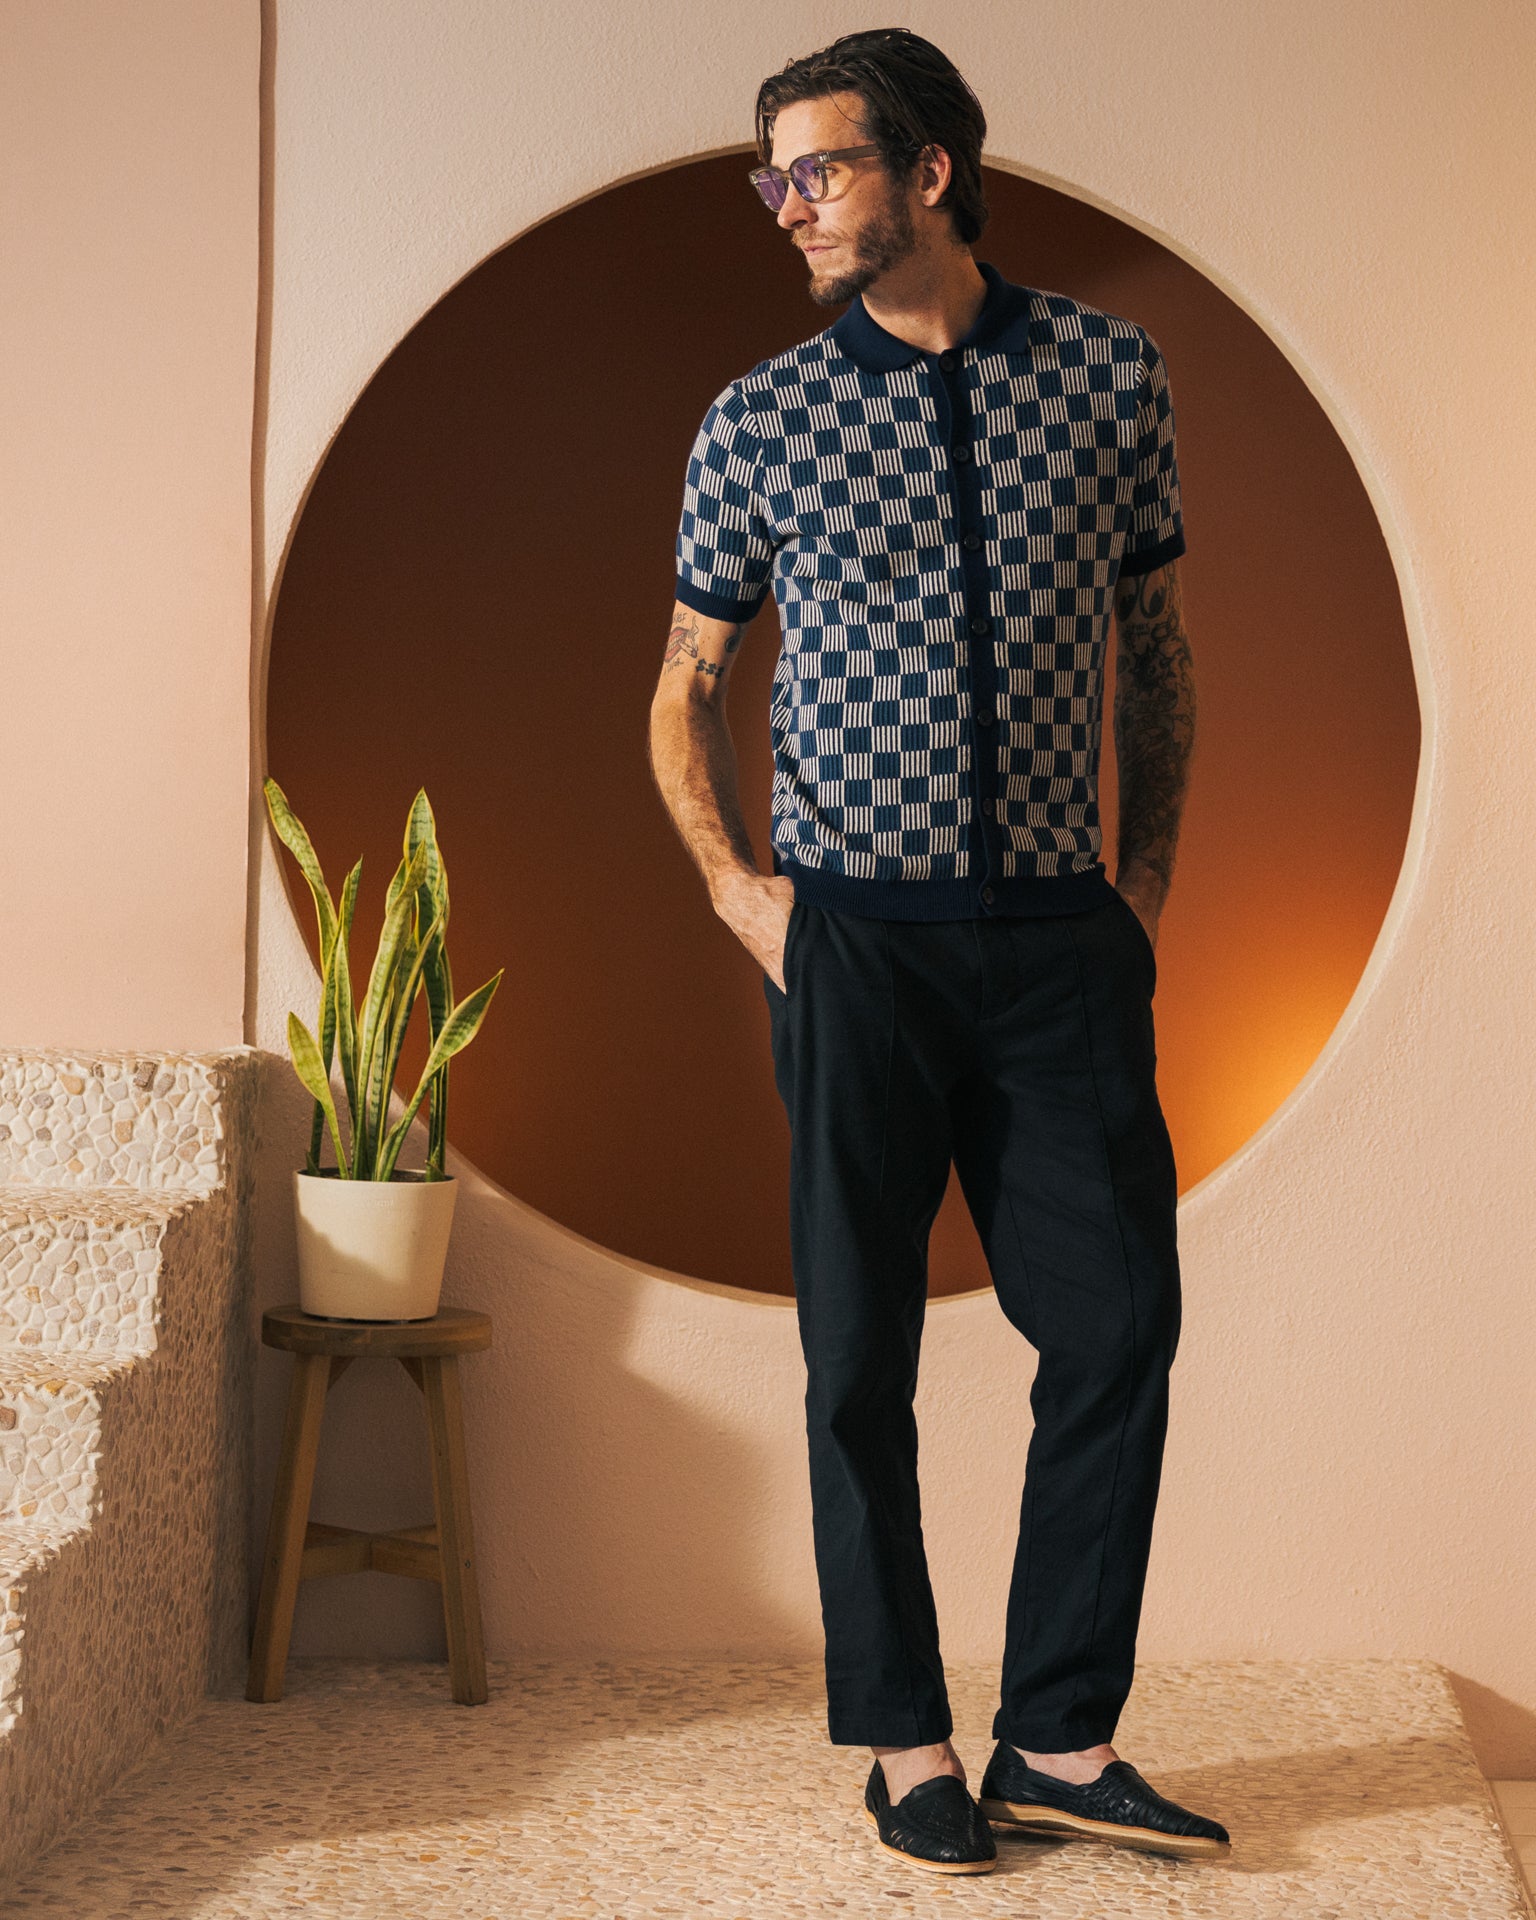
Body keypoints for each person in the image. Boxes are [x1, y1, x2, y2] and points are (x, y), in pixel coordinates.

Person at [647, 25, 1229, 1877]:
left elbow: (1161, 657)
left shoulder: (1109, 376)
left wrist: (1137, 897)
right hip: (860, 954)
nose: (791, 207)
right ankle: (905, 1740)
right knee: (855, 1363)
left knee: (1120, 1321)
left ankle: (1059, 1732)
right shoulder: (759, 418)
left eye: (818, 170)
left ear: (929, 172)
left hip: (1060, 945)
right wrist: (745, 892)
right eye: (777, 179)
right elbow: (684, 690)